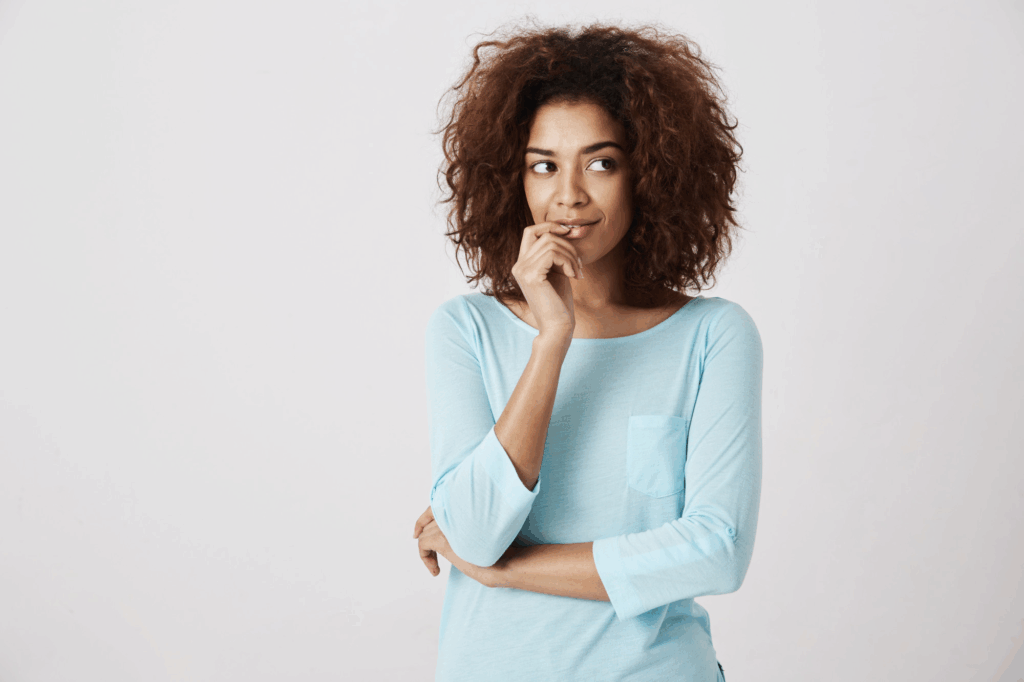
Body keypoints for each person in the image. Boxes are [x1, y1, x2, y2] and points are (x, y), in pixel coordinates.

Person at [412, 21, 762, 682]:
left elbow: (717, 551)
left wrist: (505, 568)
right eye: (543, 165)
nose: (568, 194)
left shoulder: (714, 336)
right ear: (513, 178)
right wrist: (552, 341)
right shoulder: (465, 330)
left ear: (648, 174)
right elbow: (478, 529)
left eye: (601, 162)